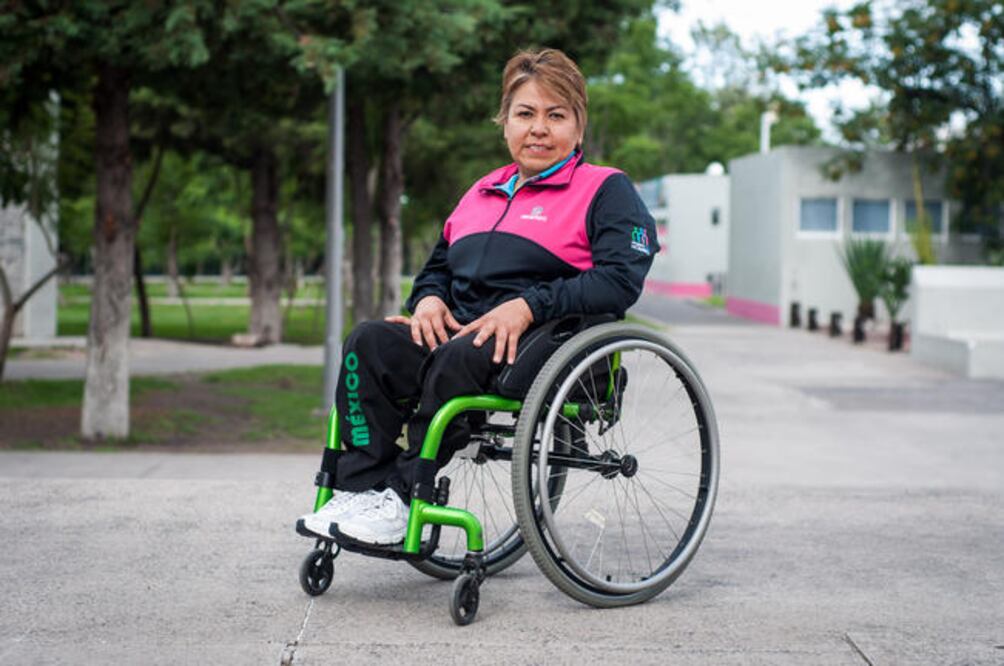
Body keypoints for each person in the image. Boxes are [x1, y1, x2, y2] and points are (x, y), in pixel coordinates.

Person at [298, 47, 659, 545]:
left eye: (556, 115)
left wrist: (528, 305)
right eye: (525, 114)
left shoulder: (606, 189)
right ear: (505, 123)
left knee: (458, 356)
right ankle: (359, 491)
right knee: (369, 343)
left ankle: (403, 496)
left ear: (578, 127)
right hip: (465, 330)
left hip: (549, 335)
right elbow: (436, 270)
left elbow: (621, 280)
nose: (539, 128)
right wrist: (427, 302)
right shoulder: (481, 191)